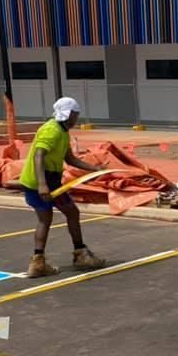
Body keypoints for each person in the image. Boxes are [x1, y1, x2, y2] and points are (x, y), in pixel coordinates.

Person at [19, 97, 106, 278]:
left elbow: (70, 159)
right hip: (43, 180)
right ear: (70, 114)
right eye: (76, 114)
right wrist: (43, 185)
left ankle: (38, 262)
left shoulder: (62, 131)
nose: (77, 118)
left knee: (46, 219)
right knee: (71, 213)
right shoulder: (52, 130)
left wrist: (95, 169)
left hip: (39, 180)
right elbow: (38, 156)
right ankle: (80, 254)